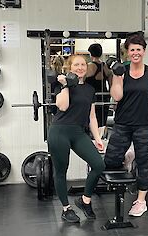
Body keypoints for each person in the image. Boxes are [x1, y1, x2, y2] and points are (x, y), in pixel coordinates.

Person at [104, 33, 148, 217]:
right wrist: (117, 75)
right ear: (127, 52)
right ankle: (127, 158)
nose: (135, 53)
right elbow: (116, 96)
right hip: (122, 123)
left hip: (145, 125)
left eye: (139, 49)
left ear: (144, 51)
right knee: (111, 160)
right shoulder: (121, 71)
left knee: (144, 162)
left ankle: (140, 201)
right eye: (132, 50)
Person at [48, 54, 105, 223]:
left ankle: (85, 200)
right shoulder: (60, 85)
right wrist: (66, 84)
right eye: (76, 65)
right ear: (69, 68)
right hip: (59, 132)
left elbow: (92, 116)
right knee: (61, 171)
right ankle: (66, 209)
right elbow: (63, 106)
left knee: (98, 165)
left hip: (79, 133)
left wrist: (97, 138)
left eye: (83, 65)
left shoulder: (89, 89)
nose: (80, 68)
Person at [86, 43, 112, 139]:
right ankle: (101, 138)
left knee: (92, 119)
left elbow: (81, 82)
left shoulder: (90, 67)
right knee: (102, 120)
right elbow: (110, 81)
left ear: (90, 54)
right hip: (104, 96)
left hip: (92, 97)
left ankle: (94, 138)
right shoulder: (105, 66)